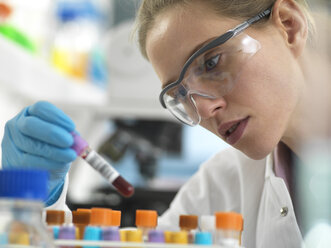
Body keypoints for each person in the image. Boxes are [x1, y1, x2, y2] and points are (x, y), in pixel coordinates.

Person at [1, 0, 330, 247]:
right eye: (181, 94)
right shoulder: (220, 187)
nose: (202, 109)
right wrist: (34, 206)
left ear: (289, 25)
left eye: (212, 62)